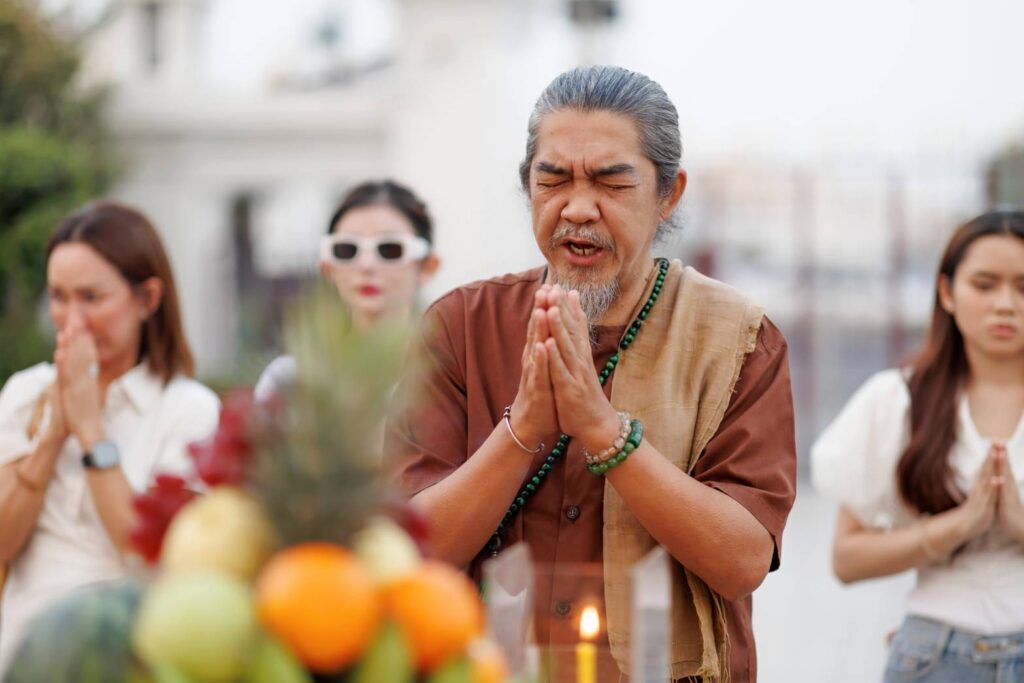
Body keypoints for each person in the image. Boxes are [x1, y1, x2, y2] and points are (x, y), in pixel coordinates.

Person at [386, 66, 797, 682]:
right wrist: (525, 426)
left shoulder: (737, 340)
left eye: (611, 183)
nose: (578, 208)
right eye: (552, 180)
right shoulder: (461, 327)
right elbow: (408, 552)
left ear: (669, 194)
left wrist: (605, 432)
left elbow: (742, 561)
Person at [0, 201, 220, 672]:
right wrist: (52, 435)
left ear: (147, 299)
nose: (71, 320)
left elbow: (148, 557)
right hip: (20, 654)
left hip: (123, 656)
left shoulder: (188, 410)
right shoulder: (25, 393)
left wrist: (90, 430)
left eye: (92, 298)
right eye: (58, 297)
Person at [812, 210, 1024, 682]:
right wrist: (956, 528)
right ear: (947, 293)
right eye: (985, 285)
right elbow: (847, 559)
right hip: (937, 655)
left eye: (1023, 287)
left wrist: (1017, 523)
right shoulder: (897, 401)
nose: (1006, 304)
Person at [254, 180, 440, 401]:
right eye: (347, 250)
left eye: (390, 249)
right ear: (328, 268)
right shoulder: (289, 381)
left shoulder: (451, 381)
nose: (366, 265)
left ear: (427, 267)